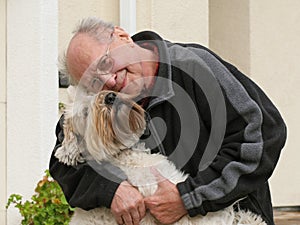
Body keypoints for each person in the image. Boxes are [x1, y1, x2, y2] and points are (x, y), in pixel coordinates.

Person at [50, 17, 287, 225]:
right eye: (94, 80)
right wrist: (111, 190)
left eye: (106, 62)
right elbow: (64, 161)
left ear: (122, 37)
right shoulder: (99, 102)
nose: (109, 80)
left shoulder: (195, 67)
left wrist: (188, 197)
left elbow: (263, 135)